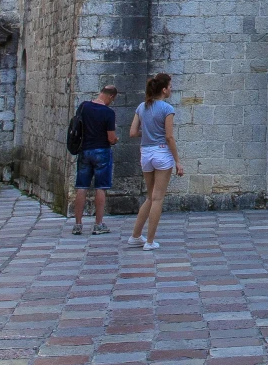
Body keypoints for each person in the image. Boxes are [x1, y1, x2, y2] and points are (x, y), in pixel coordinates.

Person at [128, 73, 183, 251]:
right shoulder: (167, 109)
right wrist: (178, 161)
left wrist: (149, 132)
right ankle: (150, 241)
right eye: (170, 86)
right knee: (158, 198)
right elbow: (169, 136)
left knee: (150, 197)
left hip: (146, 152)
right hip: (161, 153)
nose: (172, 89)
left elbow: (133, 132)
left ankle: (135, 236)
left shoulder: (141, 107)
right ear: (164, 89)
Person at [69, 84, 119, 236]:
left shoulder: (84, 106)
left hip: (84, 150)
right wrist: (116, 139)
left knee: (82, 187)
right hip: (102, 151)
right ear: (111, 96)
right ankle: (98, 224)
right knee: (100, 188)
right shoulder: (108, 113)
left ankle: (78, 224)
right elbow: (111, 138)